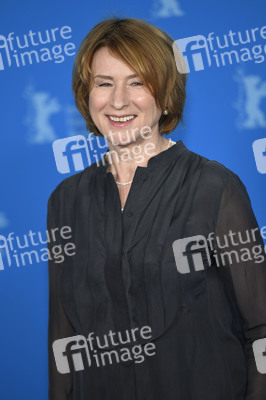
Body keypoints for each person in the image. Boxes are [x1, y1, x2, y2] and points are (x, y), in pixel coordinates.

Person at [47, 17, 266, 400]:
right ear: (87, 95)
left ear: (165, 95)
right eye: (104, 83)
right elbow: (64, 342)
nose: (118, 100)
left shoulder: (215, 188)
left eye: (137, 82)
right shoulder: (65, 200)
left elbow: (262, 328)